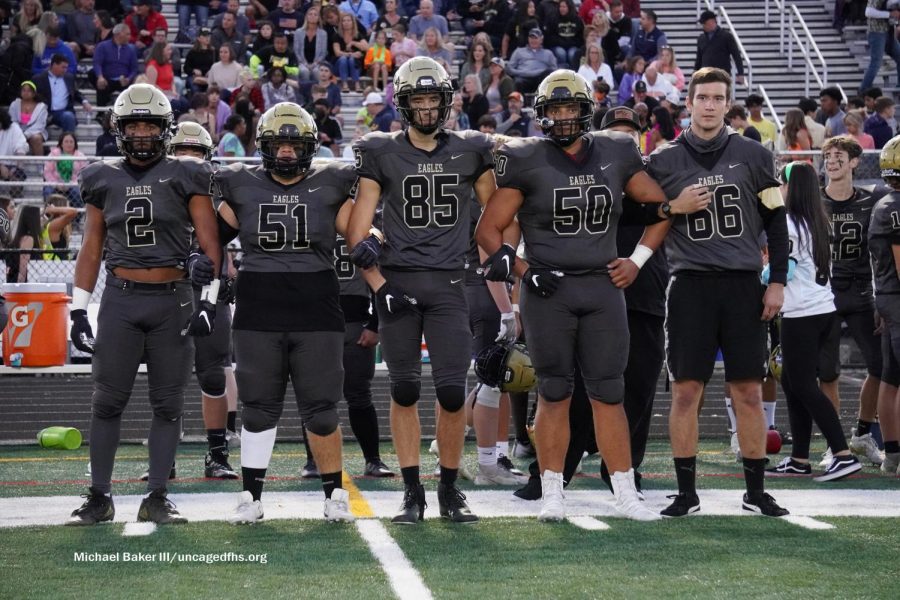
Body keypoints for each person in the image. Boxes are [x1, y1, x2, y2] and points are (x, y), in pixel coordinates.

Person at [475, 69, 693, 522]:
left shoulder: (615, 149)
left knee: (609, 394)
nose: (563, 117)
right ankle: (553, 491)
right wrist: (523, 271)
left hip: (601, 286)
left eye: (570, 107)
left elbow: (661, 208)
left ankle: (625, 493)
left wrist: (637, 260)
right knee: (554, 393)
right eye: (554, 109)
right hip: (548, 290)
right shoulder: (524, 156)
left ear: (585, 110)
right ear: (541, 114)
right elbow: (488, 231)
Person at [348, 57, 499, 524]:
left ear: (447, 100)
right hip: (399, 285)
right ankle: (412, 492)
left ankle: (450, 489)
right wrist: (377, 280)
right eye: (420, 99)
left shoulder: (473, 149)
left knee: (454, 392)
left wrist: (506, 253)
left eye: (435, 98)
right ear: (404, 103)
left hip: (452, 282)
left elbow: (499, 213)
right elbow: (357, 229)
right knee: (405, 388)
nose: (429, 108)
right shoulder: (381, 151)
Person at [65, 83, 221, 526]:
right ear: (119, 128)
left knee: (168, 404)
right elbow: (91, 248)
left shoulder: (188, 174)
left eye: (149, 124)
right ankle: (99, 496)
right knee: (107, 401)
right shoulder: (101, 177)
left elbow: (211, 247)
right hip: (121, 299)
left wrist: (207, 302)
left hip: (173, 299)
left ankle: (157, 494)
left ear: (165, 129)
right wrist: (79, 308)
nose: (140, 133)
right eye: (132, 124)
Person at [646, 67, 791, 518]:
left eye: (717, 98)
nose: (709, 105)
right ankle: (687, 492)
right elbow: (640, 214)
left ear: (728, 103)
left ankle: (756, 489)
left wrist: (778, 282)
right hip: (689, 285)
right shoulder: (665, 159)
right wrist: (672, 206)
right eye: (702, 97)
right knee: (686, 391)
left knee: (747, 390)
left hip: (743, 284)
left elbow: (777, 223)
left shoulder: (752, 153)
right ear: (688, 102)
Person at [214, 102, 356, 524]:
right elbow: (212, 235)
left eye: (295, 145)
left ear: (310, 147)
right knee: (257, 407)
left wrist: (373, 238)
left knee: (323, 408)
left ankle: (334, 495)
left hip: (316, 302)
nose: (288, 153)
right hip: (259, 302)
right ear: (264, 145)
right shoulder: (241, 184)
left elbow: (356, 227)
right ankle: (250, 497)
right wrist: (201, 260)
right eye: (280, 144)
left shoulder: (331, 182)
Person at [764, 161, 864, 481]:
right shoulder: (819, 219)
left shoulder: (791, 223)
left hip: (803, 313)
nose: (780, 189)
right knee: (794, 384)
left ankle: (843, 453)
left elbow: (786, 271)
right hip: (823, 309)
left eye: (782, 184)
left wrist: (761, 276)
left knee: (804, 385)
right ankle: (800, 458)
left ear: (790, 188)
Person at [168, 122, 240, 480]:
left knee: (213, 374)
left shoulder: (217, 193)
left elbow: (221, 241)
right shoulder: (157, 188)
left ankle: (217, 454)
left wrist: (226, 278)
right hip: (168, 289)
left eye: (196, 153)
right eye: (183, 151)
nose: (190, 159)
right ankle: (165, 455)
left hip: (208, 290)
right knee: (168, 377)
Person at [820, 135, 889, 467]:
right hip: (823, 294)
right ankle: (835, 444)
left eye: (838, 155)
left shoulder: (872, 200)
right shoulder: (812, 201)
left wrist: (881, 297)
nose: (831, 161)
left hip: (861, 292)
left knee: (880, 365)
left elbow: (880, 251)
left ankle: (862, 433)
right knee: (827, 373)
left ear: (854, 161)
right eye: (828, 155)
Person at [869, 134, 900, 476]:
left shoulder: (885, 202)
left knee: (891, 379)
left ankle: (892, 455)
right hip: (897, 298)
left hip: (888, 298)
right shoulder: (896, 207)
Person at [32, 54, 92, 133]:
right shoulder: (38, 79)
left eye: (66, 67)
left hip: (62, 112)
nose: (65, 70)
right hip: (44, 112)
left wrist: (85, 102)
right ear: (54, 65)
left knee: (69, 116)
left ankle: (68, 142)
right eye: (63, 67)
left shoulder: (69, 78)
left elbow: (76, 92)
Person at [91, 23, 139, 106]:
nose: (129, 37)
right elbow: (97, 63)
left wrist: (129, 79)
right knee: (94, 76)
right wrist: (100, 77)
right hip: (107, 80)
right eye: (127, 34)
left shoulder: (131, 49)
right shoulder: (102, 46)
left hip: (123, 81)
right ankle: (101, 113)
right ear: (118, 34)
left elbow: (134, 68)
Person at [858, 0, 900, 95]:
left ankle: (899, 87)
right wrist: (890, 14)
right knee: (876, 63)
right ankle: (863, 90)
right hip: (877, 32)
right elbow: (868, 12)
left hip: (889, 32)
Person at [694, 10, 744, 86]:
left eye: (704, 23)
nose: (703, 25)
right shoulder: (701, 38)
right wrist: (695, 73)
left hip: (722, 75)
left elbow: (736, 55)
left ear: (712, 21)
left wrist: (740, 73)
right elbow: (699, 59)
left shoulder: (726, 36)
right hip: (705, 75)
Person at [507, 28, 558, 94]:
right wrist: (521, 73)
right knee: (518, 82)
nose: (533, 40)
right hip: (523, 77)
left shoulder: (548, 53)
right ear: (528, 39)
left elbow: (554, 69)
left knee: (548, 76)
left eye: (536, 38)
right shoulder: (518, 51)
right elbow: (509, 68)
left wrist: (540, 73)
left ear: (541, 39)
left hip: (540, 78)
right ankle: (521, 103)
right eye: (531, 38)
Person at [43, 132, 87, 207]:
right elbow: (47, 172)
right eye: (66, 141)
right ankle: (50, 216)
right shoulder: (53, 154)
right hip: (55, 183)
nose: (69, 144)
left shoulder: (80, 156)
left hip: (73, 184)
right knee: (48, 191)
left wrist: (70, 184)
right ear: (61, 143)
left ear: (75, 143)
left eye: (71, 142)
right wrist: (56, 184)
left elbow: (83, 174)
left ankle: (76, 217)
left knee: (77, 193)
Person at [8, 81, 48, 156]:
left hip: (36, 131)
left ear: (34, 93)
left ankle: (40, 165)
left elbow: (40, 125)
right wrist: (19, 133)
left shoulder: (41, 107)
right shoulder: (14, 104)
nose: (26, 93)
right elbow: (12, 121)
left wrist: (26, 135)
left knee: (36, 138)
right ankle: (16, 165)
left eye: (29, 91)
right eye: (24, 90)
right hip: (17, 131)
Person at [333, 11, 369, 92]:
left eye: (348, 20)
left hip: (355, 65)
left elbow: (367, 48)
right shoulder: (337, 35)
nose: (346, 23)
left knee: (352, 60)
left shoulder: (358, 35)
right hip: (340, 66)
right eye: (344, 21)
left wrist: (353, 43)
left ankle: (357, 84)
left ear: (353, 22)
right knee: (343, 59)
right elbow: (337, 52)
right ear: (341, 23)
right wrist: (350, 54)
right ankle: (344, 84)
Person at [184, 27, 217, 93]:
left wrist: (211, 71)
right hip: (195, 77)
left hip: (209, 77)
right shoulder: (192, 52)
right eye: (205, 36)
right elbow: (186, 68)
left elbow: (217, 65)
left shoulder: (214, 52)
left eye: (208, 36)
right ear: (198, 38)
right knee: (196, 89)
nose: (207, 38)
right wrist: (193, 70)